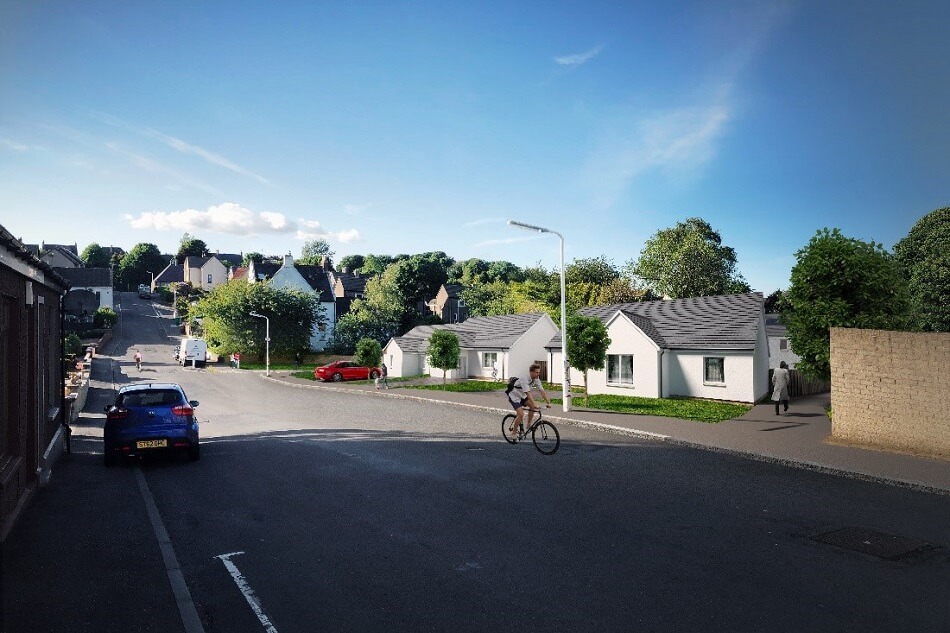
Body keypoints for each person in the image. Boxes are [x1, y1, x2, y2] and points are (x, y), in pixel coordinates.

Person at [506, 364, 551, 440]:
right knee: (521, 414)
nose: (538, 374)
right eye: (536, 372)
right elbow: (528, 394)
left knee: (532, 407)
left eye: (539, 372)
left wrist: (548, 402)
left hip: (522, 396)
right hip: (514, 396)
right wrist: (535, 404)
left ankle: (528, 425)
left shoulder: (536, 379)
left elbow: (542, 391)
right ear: (531, 372)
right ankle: (513, 432)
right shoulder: (524, 379)